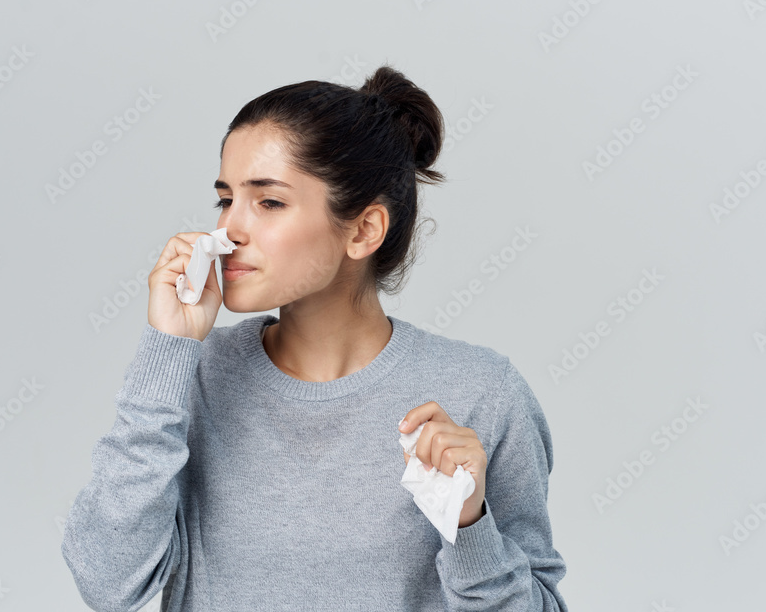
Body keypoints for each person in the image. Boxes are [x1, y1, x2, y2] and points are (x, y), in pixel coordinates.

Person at [61, 64, 568, 611]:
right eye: (225, 200)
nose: (228, 230)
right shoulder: (195, 376)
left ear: (364, 230)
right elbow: (107, 583)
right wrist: (168, 349)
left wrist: (469, 525)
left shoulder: (482, 394)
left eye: (269, 202)